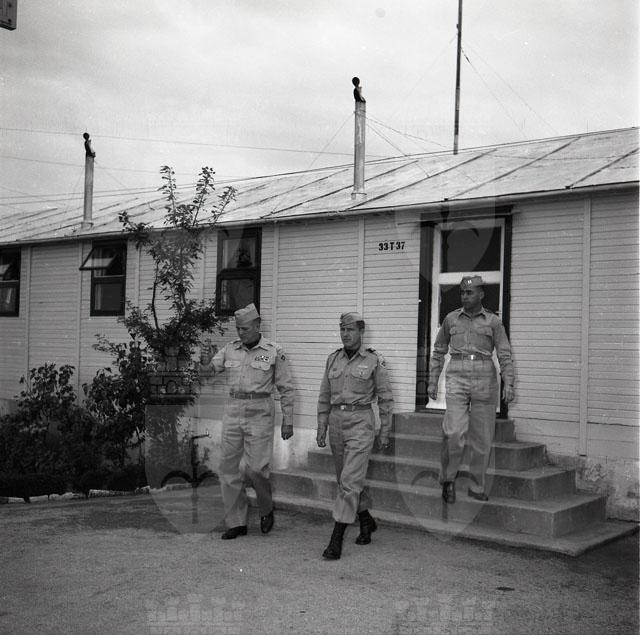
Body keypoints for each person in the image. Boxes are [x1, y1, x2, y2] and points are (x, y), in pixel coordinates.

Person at [200, 303, 295, 539]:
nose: (240, 333)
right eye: (238, 329)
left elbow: (286, 388)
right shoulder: (230, 349)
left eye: (244, 328)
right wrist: (204, 363)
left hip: (260, 412)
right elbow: (208, 372)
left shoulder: (274, 351)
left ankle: (266, 508)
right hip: (233, 410)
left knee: (256, 469)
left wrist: (288, 419)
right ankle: (236, 523)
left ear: (257, 325)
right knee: (228, 468)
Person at [427, 275, 515, 504]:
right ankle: (447, 479)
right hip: (457, 374)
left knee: (482, 438)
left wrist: (509, 382)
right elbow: (438, 351)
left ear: (481, 294)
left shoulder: (493, 321)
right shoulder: (451, 319)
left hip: (485, 376)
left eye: (470, 292)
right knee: (454, 432)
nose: (465, 296)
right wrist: (432, 380)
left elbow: (504, 353)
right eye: (463, 293)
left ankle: (477, 486)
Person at [316, 312, 394, 560]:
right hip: (336, 422)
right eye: (342, 329)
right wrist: (322, 425)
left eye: (350, 330)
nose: (345, 334)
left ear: (361, 332)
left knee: (349, 482)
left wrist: (385, 430)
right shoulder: (333, 359)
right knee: (345, 481)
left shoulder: (374, 360)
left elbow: (386, 398)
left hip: (361, 422)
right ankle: (366, 519)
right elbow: (324, 395)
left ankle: (336, 539)